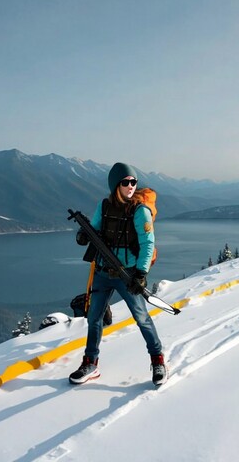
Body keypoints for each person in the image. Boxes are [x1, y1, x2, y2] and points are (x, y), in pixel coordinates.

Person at [69, 162, 167, 386]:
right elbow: (92, 229)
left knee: (142, 319)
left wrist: (140, 273)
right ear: (116, 185)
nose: (131, 186)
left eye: (134, 182)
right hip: (103, 272)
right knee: (94, 319)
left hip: (128, 275)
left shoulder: (140, 211)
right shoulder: (103, 207)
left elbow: (147, 243)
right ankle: (91, 363)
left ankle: (158, 360)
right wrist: (82, 236)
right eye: (126, 182)